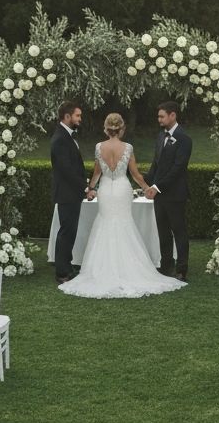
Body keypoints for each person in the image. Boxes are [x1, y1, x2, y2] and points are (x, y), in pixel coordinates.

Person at [59, 113, 184, 299]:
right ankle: (129, 269)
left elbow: (96, 173)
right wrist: (147, 188)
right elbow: (135, 175)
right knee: (124, 223)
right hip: (122, 189)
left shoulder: (99, 147)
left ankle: (102, 270)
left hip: (106, 191)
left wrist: (89, 189)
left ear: (106, 128)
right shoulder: (127, 147)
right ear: (121, 128)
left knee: (105, 224)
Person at [144, 101, 192, 282]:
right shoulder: (160, 137)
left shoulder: (184, 139)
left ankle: (182, 269)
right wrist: (145, 182)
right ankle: (166, 265)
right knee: (162, 231)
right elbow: (156, 165)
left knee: (179, 231)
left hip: (175, 194)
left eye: (162, 116)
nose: (159, 119)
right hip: (159, 194)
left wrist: (157, 187)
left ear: (173, 115)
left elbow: (178, 168)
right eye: (158, 116)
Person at [50, 100, 87, 284]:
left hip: (72, 193)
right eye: (77, 115)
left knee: (70, 231)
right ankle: (62, 272)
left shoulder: (67, 136)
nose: (80, 118)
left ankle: (67, 265)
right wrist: (85, 187)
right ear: (67, 116)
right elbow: (67, 170)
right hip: (67, 193)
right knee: (66, 231)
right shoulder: (60, 139)